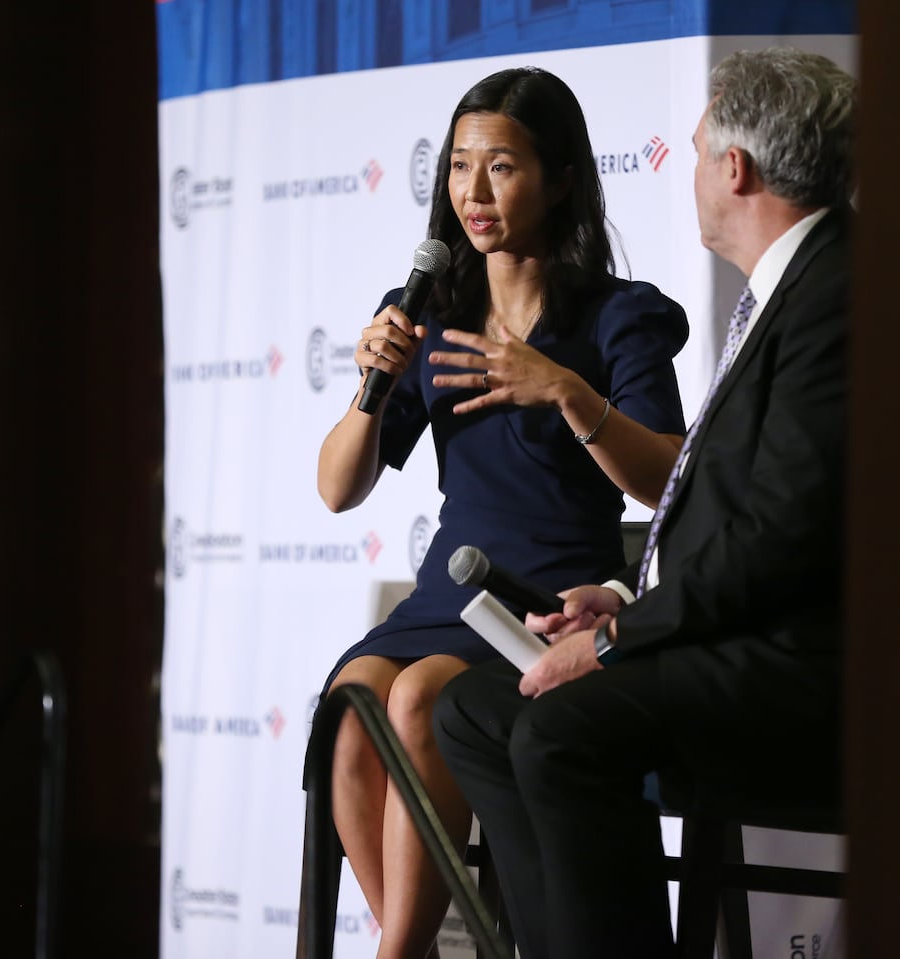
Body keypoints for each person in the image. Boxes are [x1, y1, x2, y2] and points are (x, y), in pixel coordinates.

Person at [431, 47, 857, 958]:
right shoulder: (789, 288)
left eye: (699, 151)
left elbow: (783, 537)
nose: (693, 170)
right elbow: (730, 512)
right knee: (471, 709)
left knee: (562, 730)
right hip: (725, 634)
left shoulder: (834, 296)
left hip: (792, 665)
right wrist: (622, 597)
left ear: (733, 170)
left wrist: (622, 637)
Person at [313, 66, 690, 959]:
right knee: (352, 706)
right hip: (445, 591)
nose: (473, 193)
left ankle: (400, 952)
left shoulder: (615, 319)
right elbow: (337, 488)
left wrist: (564, 391)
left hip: (545, 600)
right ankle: (443, 946)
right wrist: (372, 388)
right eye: (458, 166)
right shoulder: (428, 318)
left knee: (414, 701)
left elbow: (671, 479)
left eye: (503, 167)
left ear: (560, 179)